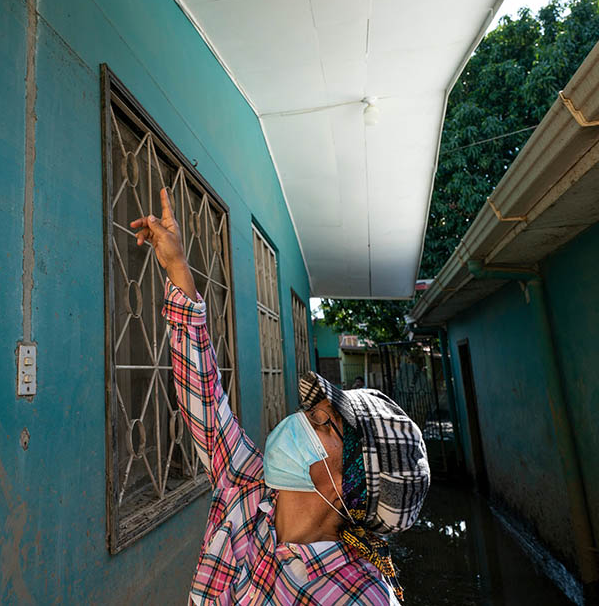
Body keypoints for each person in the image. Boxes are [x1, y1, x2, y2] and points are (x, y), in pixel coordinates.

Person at [131, 189, 430, 605]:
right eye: (314, 412)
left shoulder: (361, 599)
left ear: (349, 484)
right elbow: (202, 393)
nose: (303, 419)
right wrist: (178, 267)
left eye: (325, 423)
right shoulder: (247, 488)